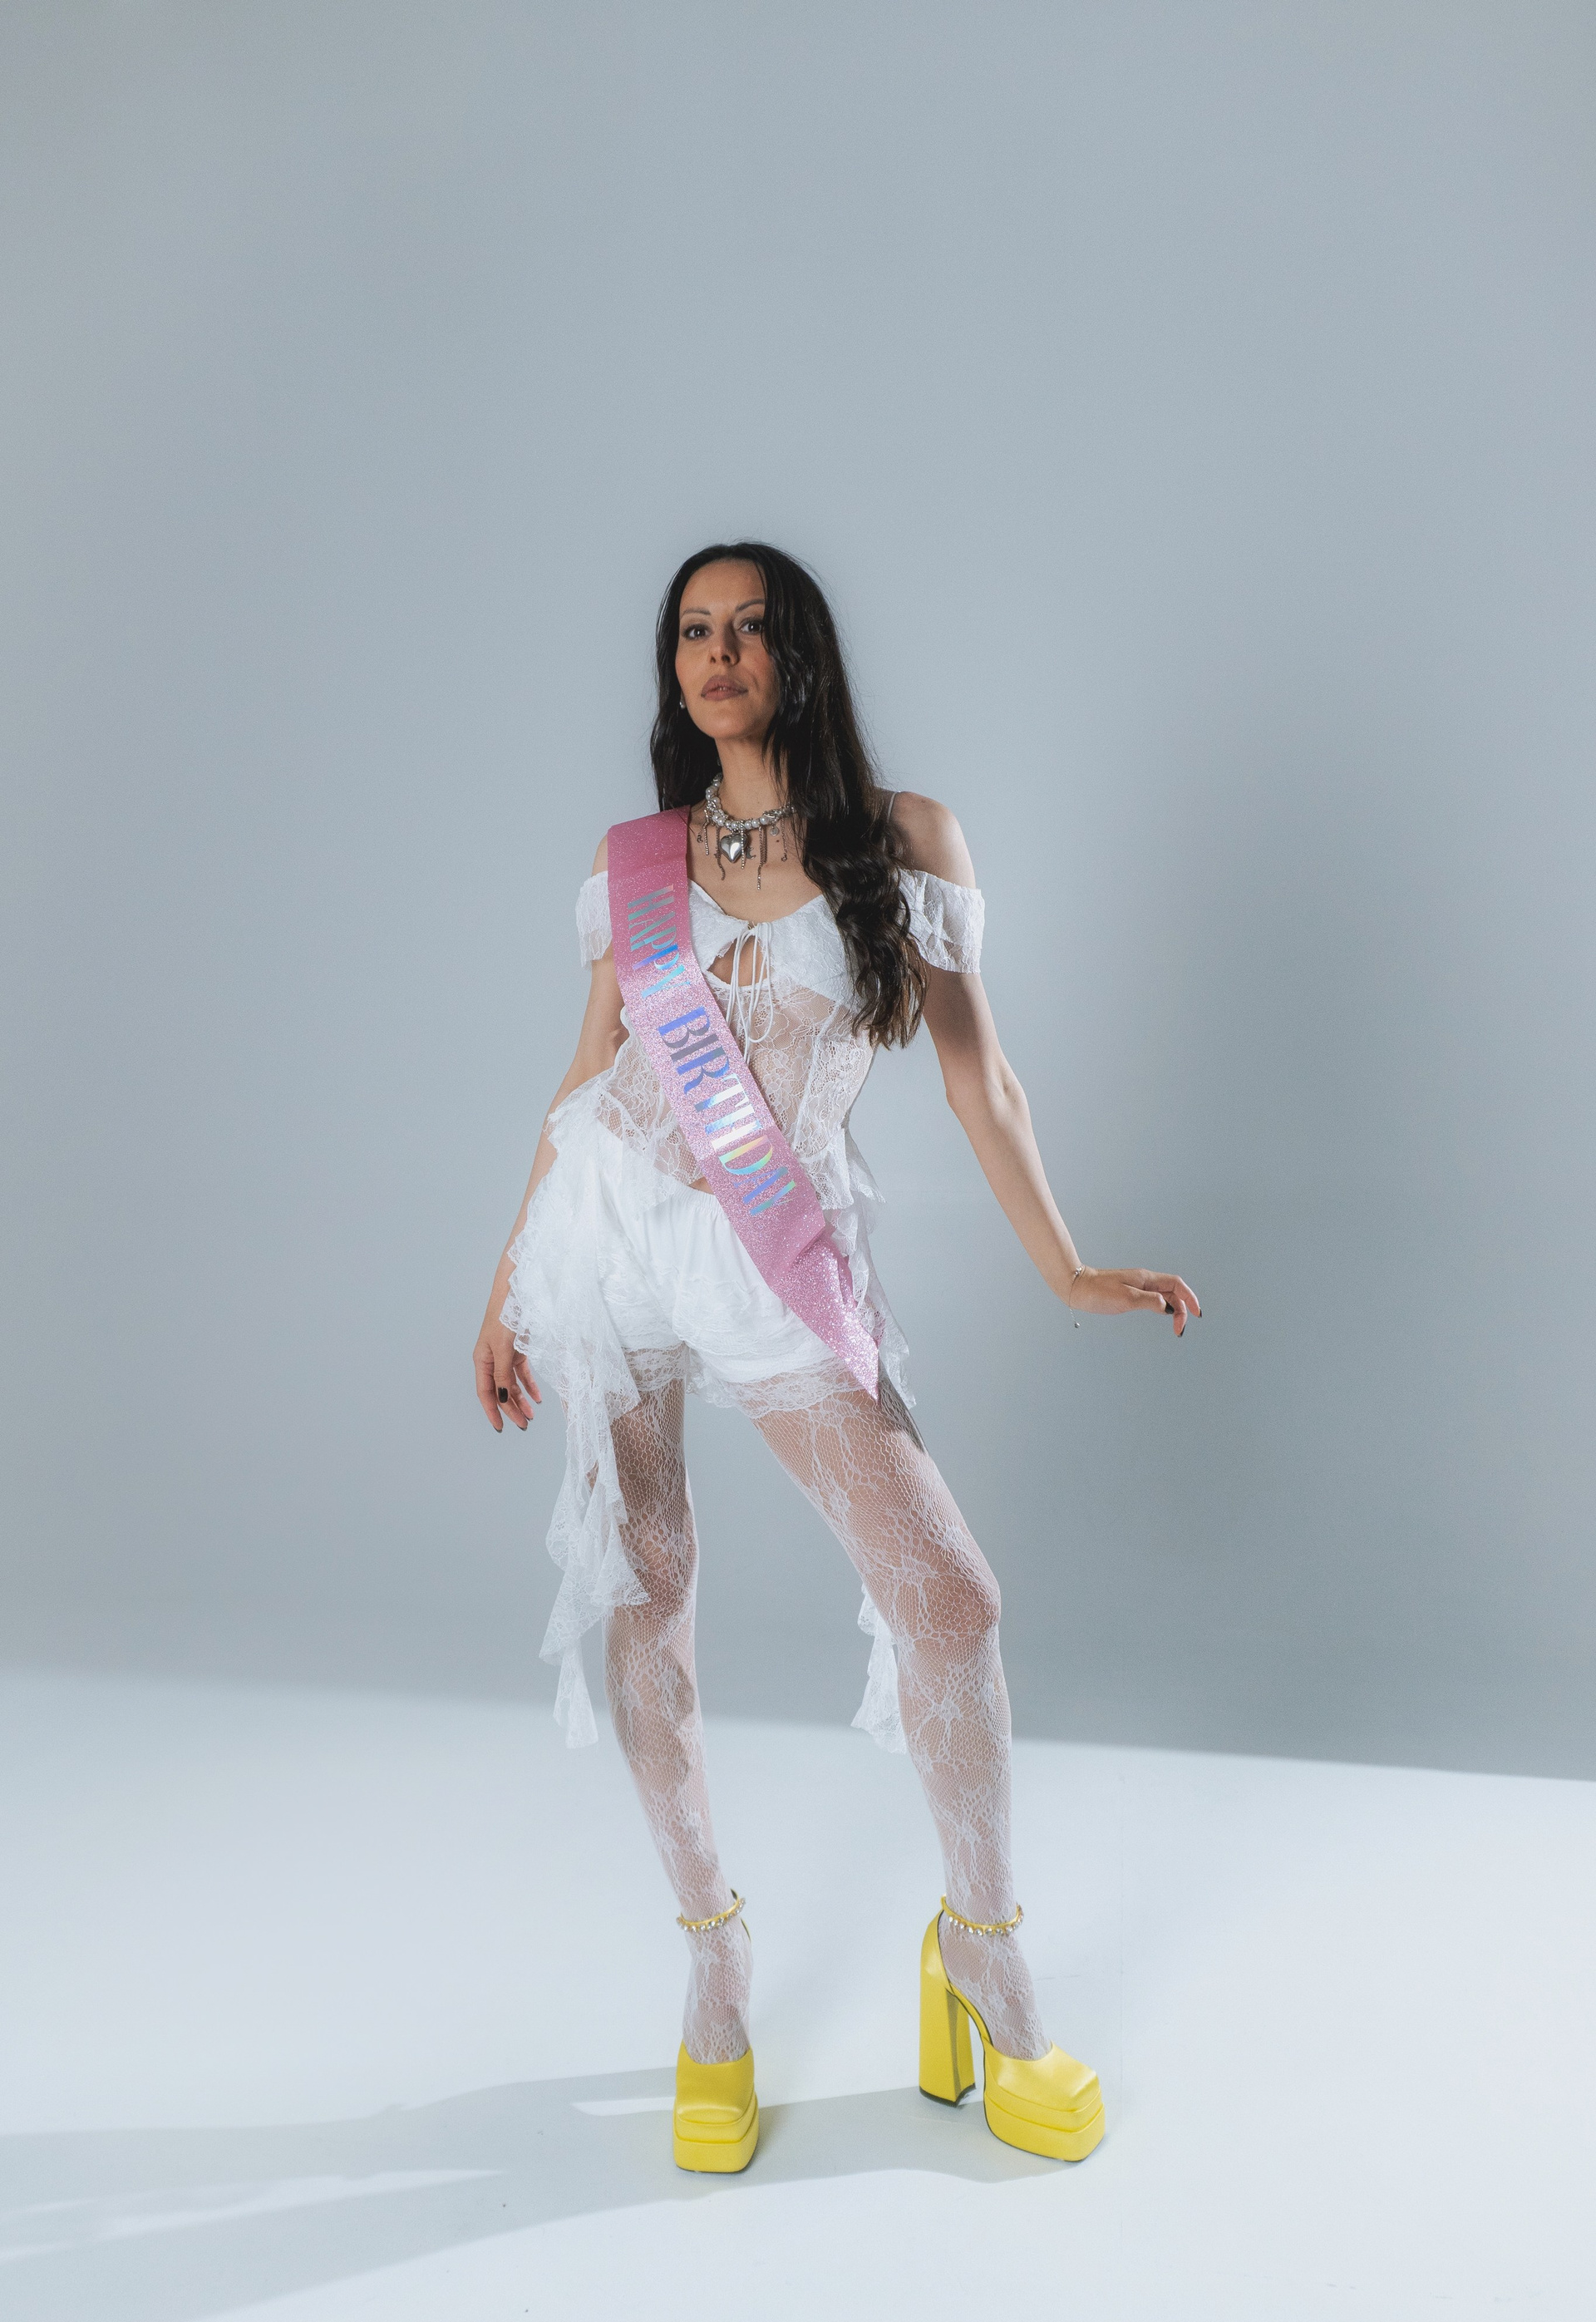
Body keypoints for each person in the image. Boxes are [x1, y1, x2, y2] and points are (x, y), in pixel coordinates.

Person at [473, 541, 1198, 2173]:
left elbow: (982, 1082)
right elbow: (585, 1076)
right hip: (612, 1243)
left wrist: (1069, 1267)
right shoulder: (635, 863)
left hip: (769, 1263)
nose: (717, 654)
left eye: (749, 629)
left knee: (953, 1601)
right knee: (649, 1590)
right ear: (674, 670)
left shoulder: (904, 841)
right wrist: (506, 1285)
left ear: (799, 654)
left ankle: (981, 1954)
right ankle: (714, 1970)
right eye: (693, 632)